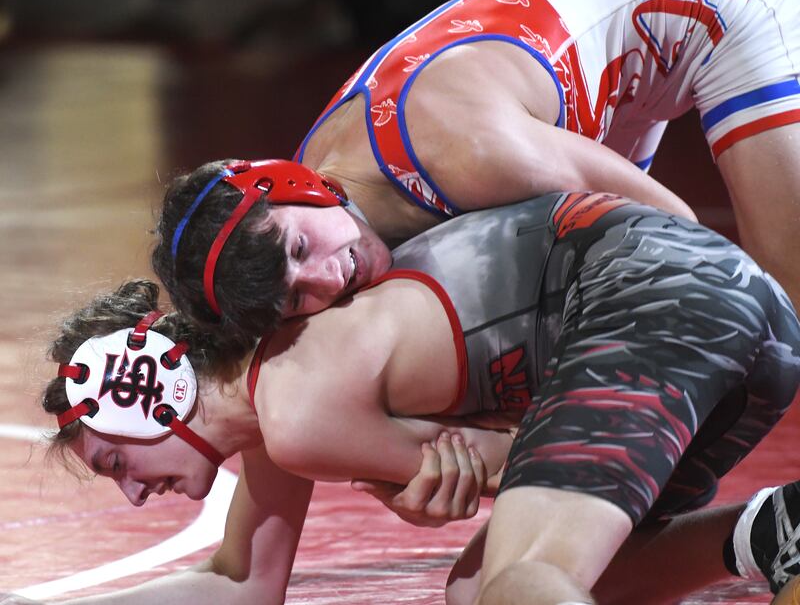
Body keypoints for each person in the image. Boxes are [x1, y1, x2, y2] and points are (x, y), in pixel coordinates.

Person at [21, 191, 800, 605]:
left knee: (519, 583)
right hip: (728, 316)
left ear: (149, 394)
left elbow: (499, 463)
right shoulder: (278, 393)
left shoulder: (293, 411)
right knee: (477, 588)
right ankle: (773, 533)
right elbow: (242, 585)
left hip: (649, 297)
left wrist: (413, 482)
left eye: (115, 459)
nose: (130, 494)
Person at [151, 0, 800, 337]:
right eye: (296, 298)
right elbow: (290, 377)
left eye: (299, 251)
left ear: (299, 187)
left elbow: (686, 240)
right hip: (607, 77)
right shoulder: (316, 202)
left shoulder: (467, 153)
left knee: (779, 307)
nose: (328, 279)